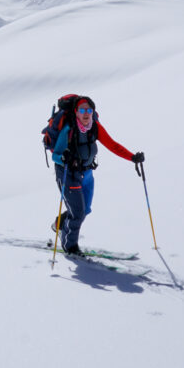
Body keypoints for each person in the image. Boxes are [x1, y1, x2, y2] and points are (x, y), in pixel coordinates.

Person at [49, 97, 144, 255]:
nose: (86, 113)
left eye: (89, 110)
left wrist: (132, 157)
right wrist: (63, 158)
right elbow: (56, 156)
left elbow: (113, 145)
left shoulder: (95, 128)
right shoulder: (68, 129)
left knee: (84, 209)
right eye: (82, 110)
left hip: (86, 174)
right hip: (67, 174)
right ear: (76, 112)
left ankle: (60, 224)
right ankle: (70, 246)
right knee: (78, 212)